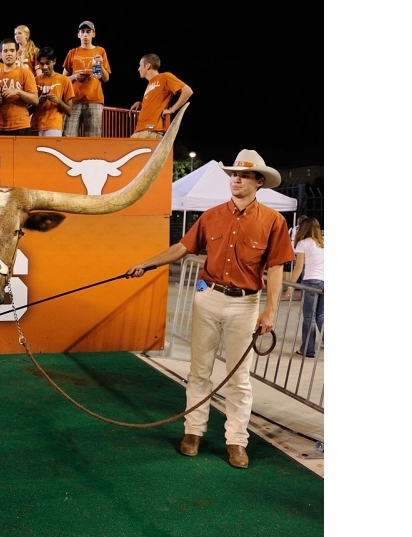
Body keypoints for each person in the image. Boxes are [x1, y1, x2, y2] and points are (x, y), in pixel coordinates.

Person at [125, 149, 294, 469]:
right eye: (233, 174)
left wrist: (270, 311)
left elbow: (275, 269)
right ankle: (193, 432)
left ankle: (236, 441)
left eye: (244, 175)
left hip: (245, 305)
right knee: (198, 371)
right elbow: (182, 248)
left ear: (259, 181)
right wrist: (146, 264)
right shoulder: (211, 215)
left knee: (239, 378)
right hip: (207, 299)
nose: (236, 179)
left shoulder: (274, 221)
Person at [62, 21, 110, 137]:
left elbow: (106, 78)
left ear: (93, 34)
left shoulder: (100, 51)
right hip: (74, 100)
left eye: (88, 32)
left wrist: (101, 64)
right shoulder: (72, 52)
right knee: (68, 136)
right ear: (78, 34)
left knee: (93, 138)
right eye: (82, 32)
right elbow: (63, 79)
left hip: (94, 100)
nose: (85, 35)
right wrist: (74, 77)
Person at [285, 217, 324, 358]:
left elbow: (299, 266)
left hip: (311, 282)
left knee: (309, 317)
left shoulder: (303, 243)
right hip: (324, 282)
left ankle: (308, 349)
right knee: (321, 315)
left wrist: (291, 286)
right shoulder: (324, 243)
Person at [130, 53, 193, 139]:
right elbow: (155, 102)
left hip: (151, 131)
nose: (138, 69)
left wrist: (172, 109)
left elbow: (188, 91)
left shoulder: (165, 77)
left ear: (148, 66)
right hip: (141, 130)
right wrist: (141, 104)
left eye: (140, 65)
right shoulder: (150, 84)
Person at [0, 38, 38, 136]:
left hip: (20, 125)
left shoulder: (25, 73)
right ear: (1, 54)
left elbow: (35, 100)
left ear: (17, 53)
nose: (9, 54)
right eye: (5, 51)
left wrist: (18, 91)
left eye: (12, 50)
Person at [31, 46, 75, 136]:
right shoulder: (34, 81)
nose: (45, 67)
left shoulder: (64, 81)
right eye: (42, 64)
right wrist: (37, 102)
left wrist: (59, 102)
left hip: (54, 127)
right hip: (34, 126)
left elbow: (70, 111)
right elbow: (27, 111)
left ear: (54, 61)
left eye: (48, 63)